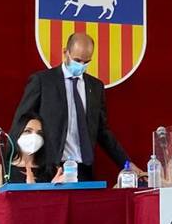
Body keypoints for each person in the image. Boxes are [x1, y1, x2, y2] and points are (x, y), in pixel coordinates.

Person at [10, 32, 140, 181]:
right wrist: (12, 161)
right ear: (65, 52)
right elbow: (21, 121)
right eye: (77, 60)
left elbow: (103, 132)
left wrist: (126, 163)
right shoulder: (43, 81)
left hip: (83, 169)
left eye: (86, 62)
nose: (81, 65)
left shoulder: (95, 87)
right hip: (48, 168)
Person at [0, 114, 63, 192]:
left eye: (39, 133)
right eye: (28, 131)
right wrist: (29, 191)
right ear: (16, 134)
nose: (34, 136)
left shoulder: (52, 170)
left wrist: (53, 190)